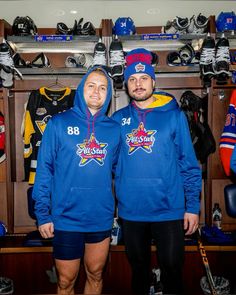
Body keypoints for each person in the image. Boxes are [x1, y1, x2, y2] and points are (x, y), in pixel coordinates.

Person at [112, 48, 202, 295]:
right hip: (132, 212)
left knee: (173, 271)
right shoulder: (117, 120)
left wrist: (192, 207)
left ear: (153, 81)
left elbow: (189, 164)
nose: (138, 84)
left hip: (169, 210)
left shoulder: (174, 117)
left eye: (143, 79)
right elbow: (104, 163)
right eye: (132, 79)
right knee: (139, 272)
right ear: (126, 85)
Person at [32, 66, 120, 295]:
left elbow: (121, 172)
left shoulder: (114, 129)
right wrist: (43, 214)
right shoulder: (58, 124)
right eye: (91, 85)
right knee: (65, 282)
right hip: (66, 217)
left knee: (96, 274)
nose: (96, 92)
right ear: (81, 89)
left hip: (100, 217)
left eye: (103, 87)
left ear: (109, 94)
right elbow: (44, 171)